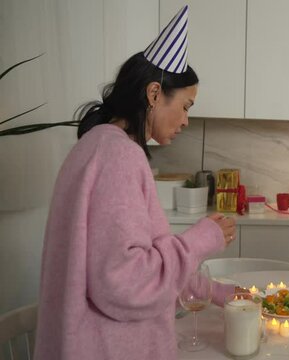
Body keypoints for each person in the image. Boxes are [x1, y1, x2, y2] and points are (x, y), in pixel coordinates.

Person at [34, 6, 237, 360]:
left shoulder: (95, 145)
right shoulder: (119, 157)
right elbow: (126, 283)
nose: (187, 120)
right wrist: (200, 240)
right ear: (155, 93)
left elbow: (145, 258)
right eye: (186, 106)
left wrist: (217, 293)